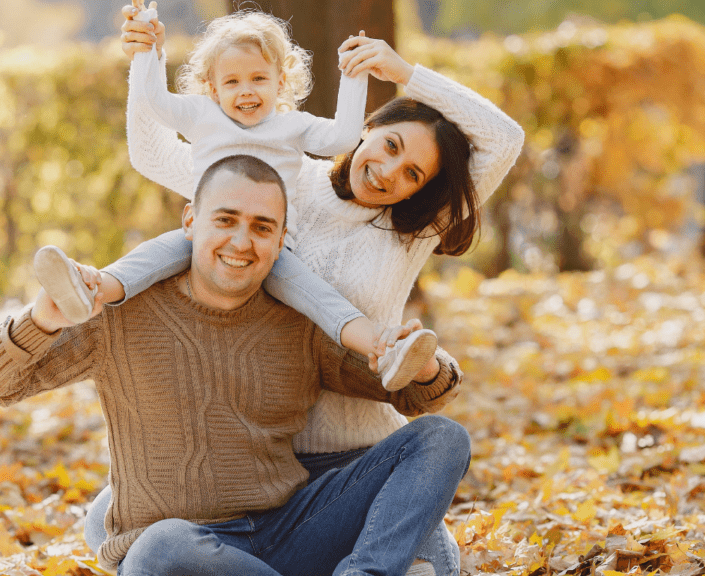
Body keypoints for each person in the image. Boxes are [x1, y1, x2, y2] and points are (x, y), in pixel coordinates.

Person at [113, 5, 525, 575]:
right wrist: (144, 58)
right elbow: (153, 152)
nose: (389, 173)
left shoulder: (408, 232)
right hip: (268, 470)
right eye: (391, 146)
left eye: (413, 175)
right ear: (370, 126)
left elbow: (504, 140)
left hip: (363, 462)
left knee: (432, 528)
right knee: (129, 533)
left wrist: (407, 72)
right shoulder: (276, 179)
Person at [0, 155, 470, 575]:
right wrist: (42, 318)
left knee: (443, 438)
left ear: (279, 241)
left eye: (261, 228)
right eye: (225, 220)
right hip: (187, 551)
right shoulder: (120, 314)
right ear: (191, 221)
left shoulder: (298, 323)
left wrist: (422, 360)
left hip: (290, 530)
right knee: (160, 547)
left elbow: (412, 392)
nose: (241, 242)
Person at [34, 4, 440, 392]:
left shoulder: (291, 126)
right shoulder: (202, 115)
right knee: (155, 255)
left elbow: (343, 138)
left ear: (281, 81)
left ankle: (385, 349)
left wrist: (354, 77)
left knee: (322, 300)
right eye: (232, 82)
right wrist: (147, 52)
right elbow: (155, 104)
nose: (246, 91)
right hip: (206, 235)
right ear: (212, 88)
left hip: (274, 247)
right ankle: (90, 289)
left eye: (258, 79)